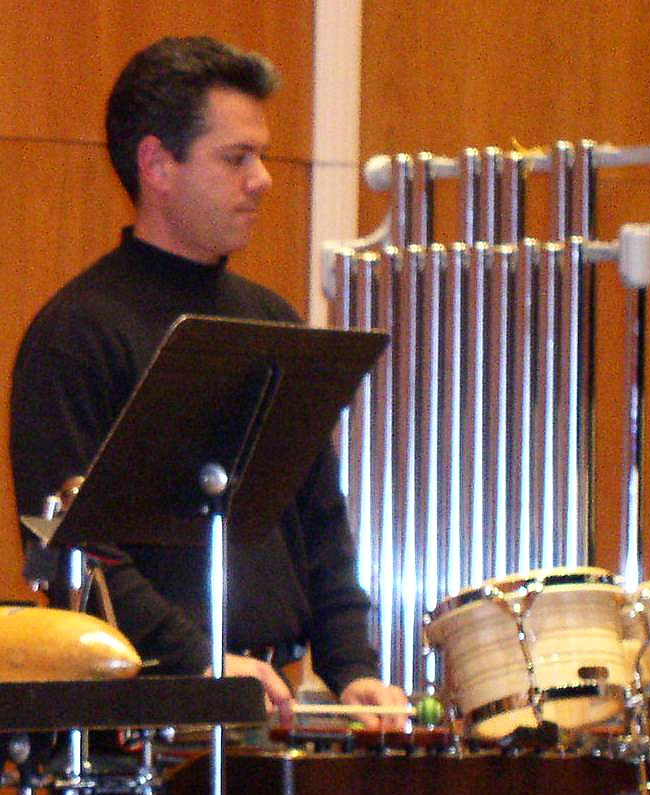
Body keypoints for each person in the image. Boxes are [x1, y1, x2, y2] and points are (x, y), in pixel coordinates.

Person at [10, 35, 406, 722]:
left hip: (271, 696)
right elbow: (72, 549)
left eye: (261, 155)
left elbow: (319, 519)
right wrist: (197, 662)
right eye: (236, 157)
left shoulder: (272, 319)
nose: (263, 178)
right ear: (157, 164)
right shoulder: (76, 335)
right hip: (146, 714)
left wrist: (352, 667)